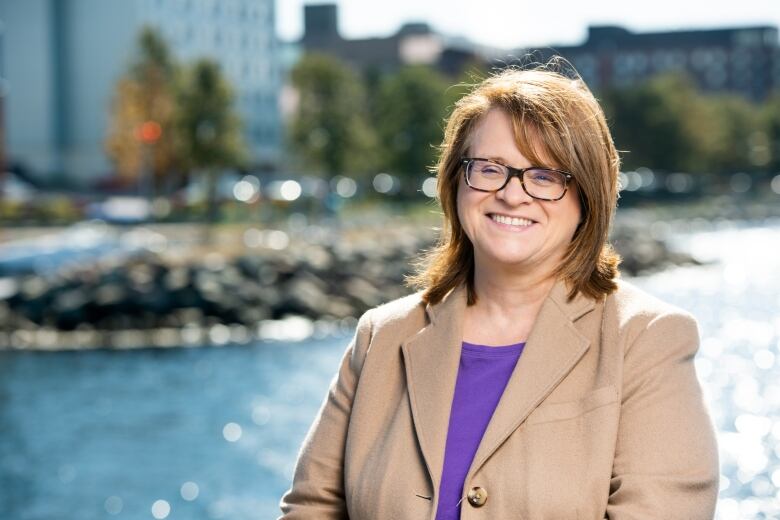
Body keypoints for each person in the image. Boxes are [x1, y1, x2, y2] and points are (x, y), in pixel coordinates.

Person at [279, 63, 719, 519]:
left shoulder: (648, 339)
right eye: (490, 169)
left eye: (545, 176)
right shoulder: (381, 336)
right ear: (456, 182)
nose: (513, 195)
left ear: (587, 196)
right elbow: (312, 508)